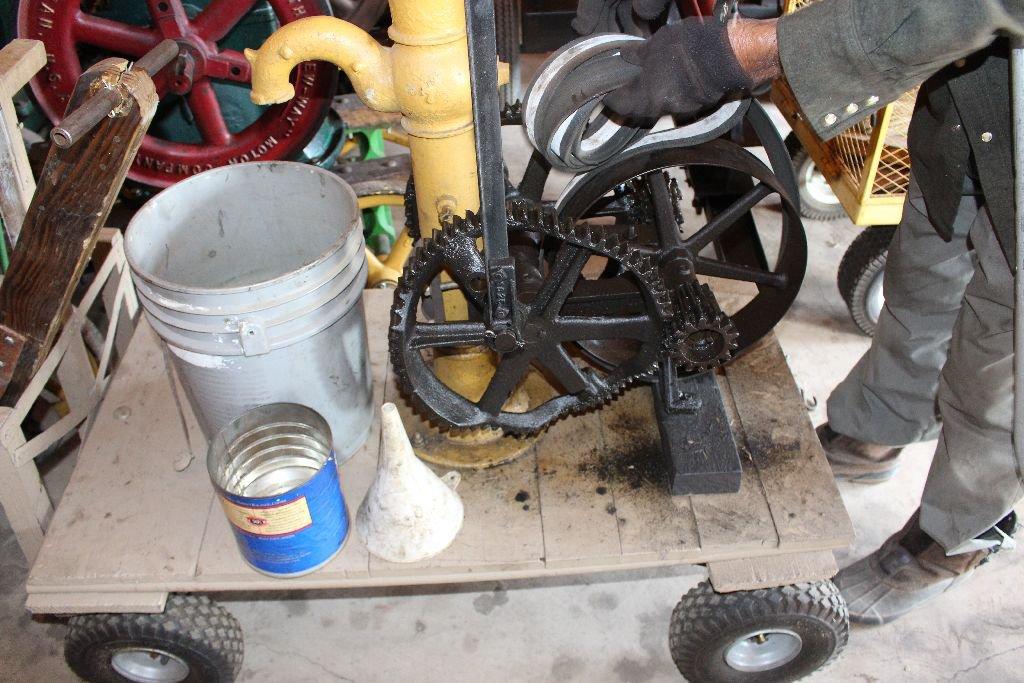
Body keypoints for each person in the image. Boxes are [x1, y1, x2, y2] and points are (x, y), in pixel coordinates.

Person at [596, 0, 1023, 624]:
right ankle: (877, 432)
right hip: (972, 102)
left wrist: (759, 46)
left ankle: (954, 539)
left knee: (998, 368)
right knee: (920, 282)